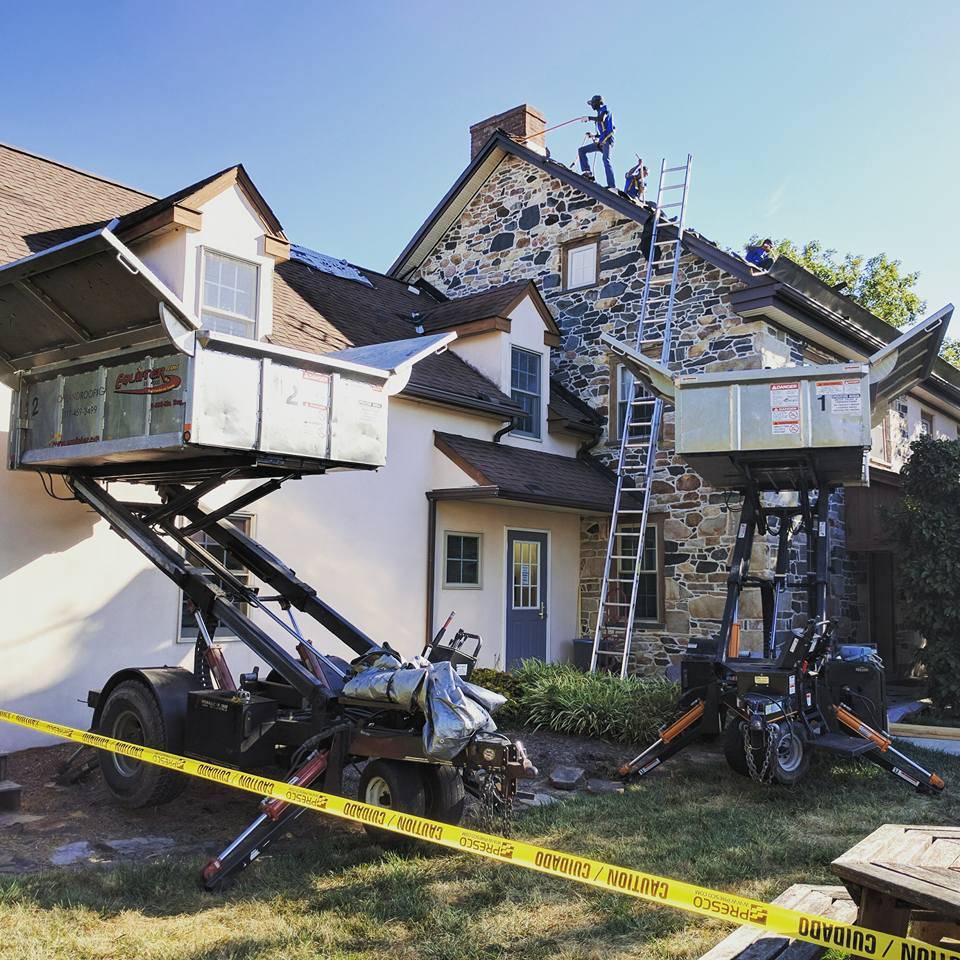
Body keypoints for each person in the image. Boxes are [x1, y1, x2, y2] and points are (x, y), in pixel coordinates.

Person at [579, 95, 616, 189]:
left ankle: (612, 186)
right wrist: (594, 136)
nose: (591, 106)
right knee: (581, 150)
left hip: (607, 141)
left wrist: (588, 118)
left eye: (592, 103)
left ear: (597, 103)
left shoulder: (605, 110)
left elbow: (601, 119)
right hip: (601, 141)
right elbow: (603, 131)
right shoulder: (599, 113)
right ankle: (588, 172)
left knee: (606, 160)